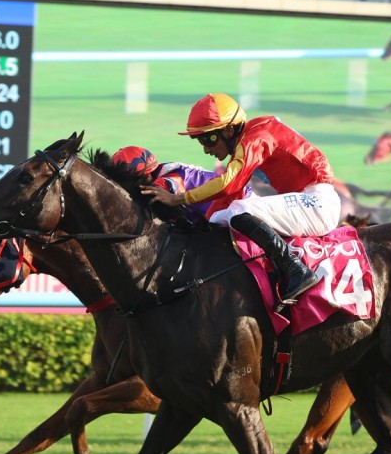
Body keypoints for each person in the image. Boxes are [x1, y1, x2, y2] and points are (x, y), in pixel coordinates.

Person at [141, 92, 341, 304]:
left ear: (229, 129)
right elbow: (226, 197)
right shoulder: (249, 139)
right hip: (306, 201)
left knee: (238, 210)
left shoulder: (256, 138)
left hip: (318, 203)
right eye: (199, 140)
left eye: (209, 139)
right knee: (221, 216)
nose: (206, 148)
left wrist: (178, 199)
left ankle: (295, 270)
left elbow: (228, 184)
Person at [111, 145, 249, 219]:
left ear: (146, 174)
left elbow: (155, 194)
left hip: (242, 204)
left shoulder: (171, 177)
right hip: (216, 214)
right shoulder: (162, 170)